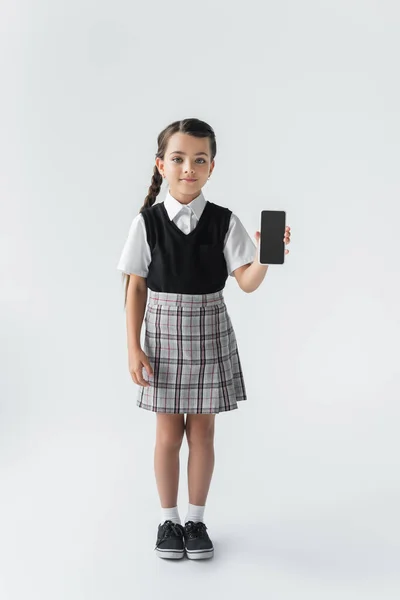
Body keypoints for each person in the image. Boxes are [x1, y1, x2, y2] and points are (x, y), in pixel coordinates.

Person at [117, 118, 291, 560]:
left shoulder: (224, 222)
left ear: (212, 167)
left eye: (199, 160)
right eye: (178, 159)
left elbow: (246, 282)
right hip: (161, 335)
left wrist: (269, 256)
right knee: (167, 434)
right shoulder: (147, 223)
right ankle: (169, 521)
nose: (188, 168)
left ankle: (196, 519)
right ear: (161, 165)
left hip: (209, 329)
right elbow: (135, 285)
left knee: (203, 432)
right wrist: (133, 346)